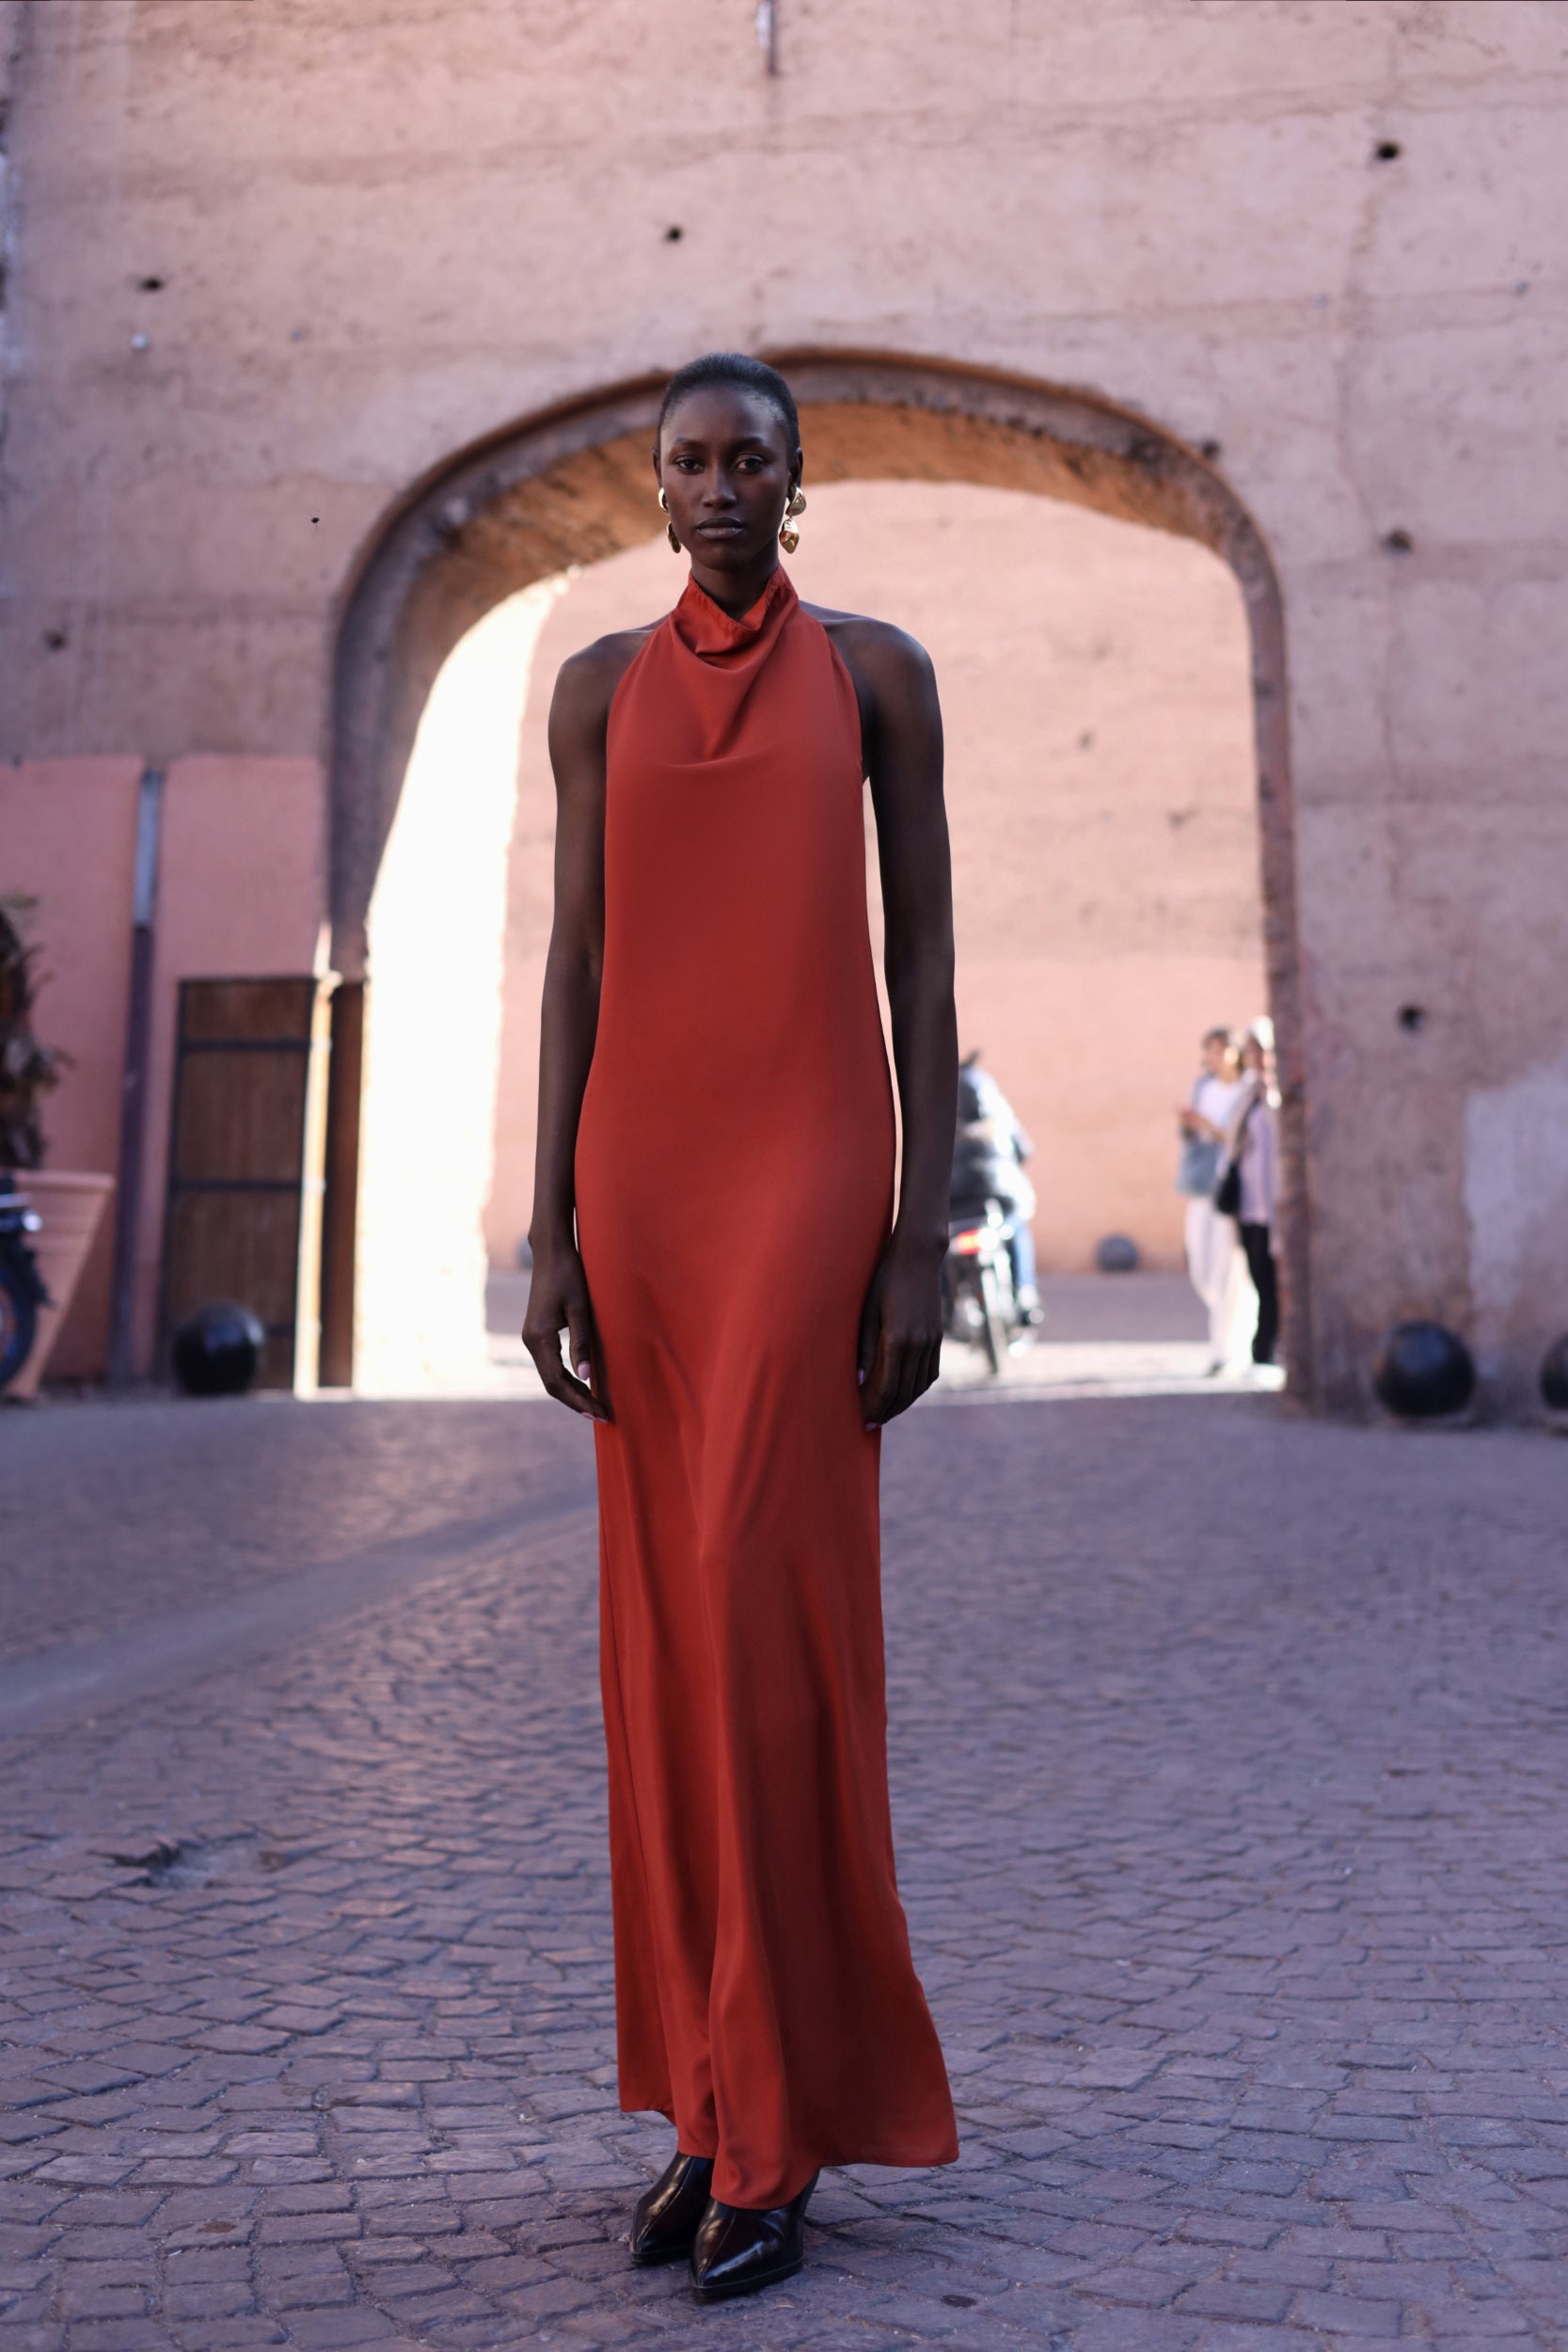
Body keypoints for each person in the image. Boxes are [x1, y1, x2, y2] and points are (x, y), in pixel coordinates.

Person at [523, 353, 958, 2306]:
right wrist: (549, 1231)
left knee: (758, 1624)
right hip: (641, 1179)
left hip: (801, 1168)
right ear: (655, 483)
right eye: (686, 460)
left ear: (799, 481)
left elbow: (921, 948)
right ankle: (706, 2098)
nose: (716, 485)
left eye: (748, 461)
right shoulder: (594, 688)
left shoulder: (875, 673)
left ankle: (776, 2123)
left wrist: (915, 1233)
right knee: (665, 1651)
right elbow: (577, 963)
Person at [950, 1047, 1041, 1321]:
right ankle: (1025, 1292)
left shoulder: (934, 1097)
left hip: (952, 1190)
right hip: (999, 1186)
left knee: (941, 1239)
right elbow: (1023, 1149)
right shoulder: (993, 1099)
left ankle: (946, 1305)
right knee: (1015, 1226)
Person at [1176, 1027, 1248, 1374]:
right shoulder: (1203, 1086)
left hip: (1231, 1189)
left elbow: (1234, 1138)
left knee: (1227, 1270)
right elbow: (1191, 1136)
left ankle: (1226, 1349)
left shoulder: (1246, 1090)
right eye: (1211, 1051)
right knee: (1201, 1267)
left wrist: (1208, 1125)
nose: (1214, 1057)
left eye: (1220, 1050)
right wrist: (1191, 1124)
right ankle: (1224, 1344)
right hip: (1202, 1184)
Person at [1227, 1020, 1280, 1368]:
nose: (1255, 1058)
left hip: (1276, 1206)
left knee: (1277, 1283)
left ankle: (1266, 1354)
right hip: (1250, 1204)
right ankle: (1260, 1354)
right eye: (1250, 1051)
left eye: (1259, 1050)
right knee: (1259, 1279)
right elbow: (1231, 1143)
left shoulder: (1278, 1093)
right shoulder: (1246, 1095)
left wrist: (1269, 1094)